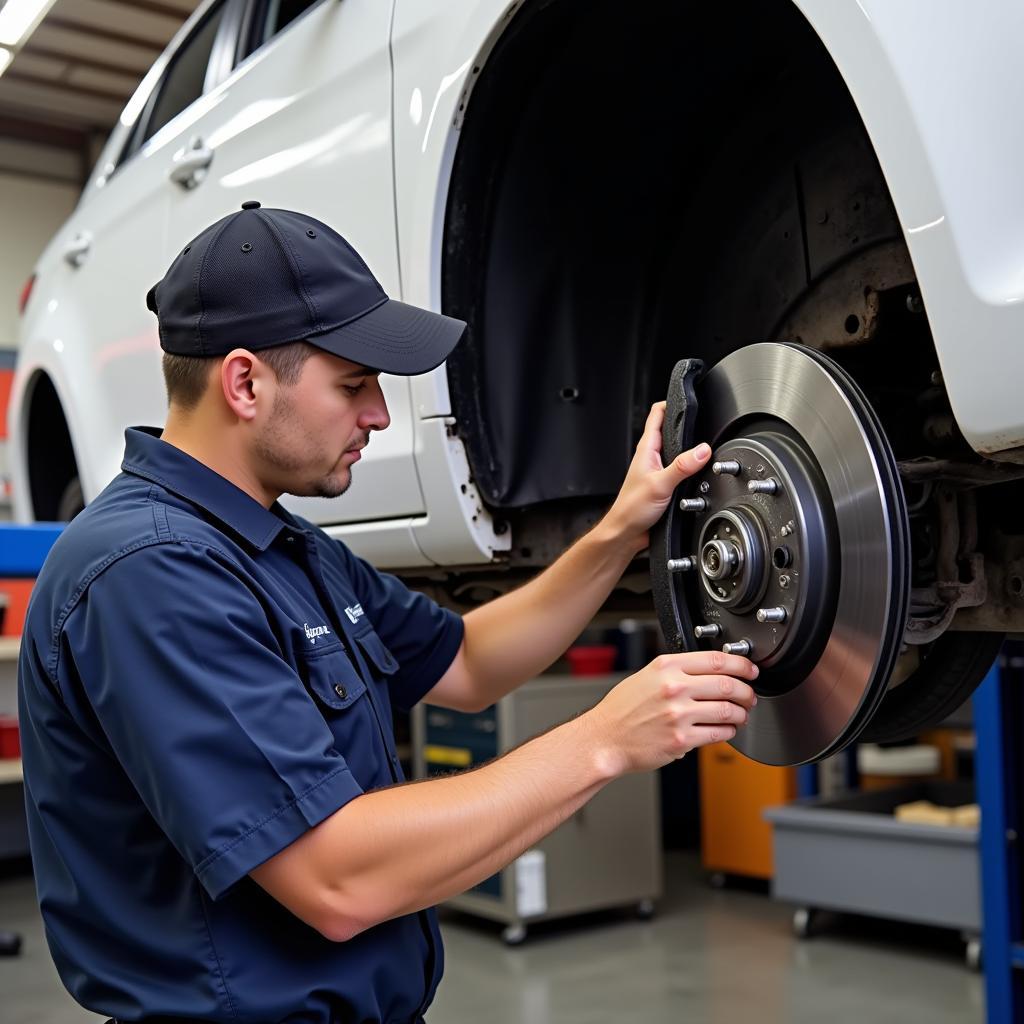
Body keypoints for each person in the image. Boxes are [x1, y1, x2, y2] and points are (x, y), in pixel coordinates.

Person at [17, 202, 758, 1024]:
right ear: (244, 381)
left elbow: (471, 661)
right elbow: (337, 879)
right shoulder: (150, 574)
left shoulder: (287, 548)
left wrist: (620, 531)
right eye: (353, 383)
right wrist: (604, 739)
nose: (376, 413)